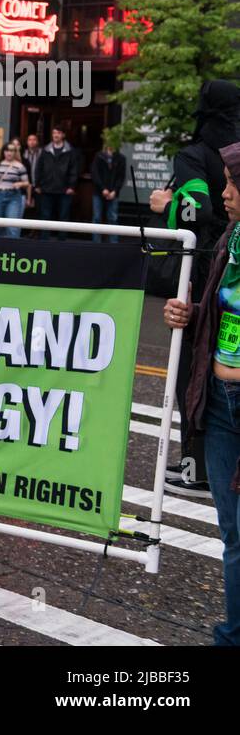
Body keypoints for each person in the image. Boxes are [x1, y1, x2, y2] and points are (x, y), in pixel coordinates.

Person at [165, 139, 240, 646]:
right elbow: (219, 309)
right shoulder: (233, 236)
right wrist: (188, 315)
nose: (225, 192)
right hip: (216, 401)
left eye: (234, 183)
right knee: (234, 535)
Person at [150, 81, 240, 497]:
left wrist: (163, 205)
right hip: (232, 265)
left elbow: (195, 209)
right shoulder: (236, 150)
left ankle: (195, 467)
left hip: (202, 268)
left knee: (193, 366)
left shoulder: (194, 154)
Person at [33, 126, 80, 240]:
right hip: (46, 188)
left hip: (64, 189)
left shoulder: (70, 151)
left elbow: (74, 170)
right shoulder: (46, 150)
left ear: (63, 135)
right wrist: (38, 185)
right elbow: (38, 168)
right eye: (54, 133)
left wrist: (71, 186)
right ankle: (44, 241)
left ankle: (62, 241)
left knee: (63, 216)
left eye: (58, 133)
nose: (55, 135)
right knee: (45, 216)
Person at [0, 140, 31, 238]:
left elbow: (27, 183)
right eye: (6, 150)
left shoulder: (20, 166)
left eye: (11, 151)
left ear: (15, 152)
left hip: (13, 197)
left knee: (12, 227)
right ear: (3, 152)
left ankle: (12, 250)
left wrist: (20, 183)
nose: (9, 153)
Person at [90, 144, 127, 244]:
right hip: (99, 192)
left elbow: (121, 177)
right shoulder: (99, 156)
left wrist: (115, 190)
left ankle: (113, 243)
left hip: (113, 193)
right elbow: (95, 173)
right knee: (97, 218)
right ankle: (96, 243)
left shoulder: (121, 158)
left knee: (113, 218)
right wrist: (103, 188)